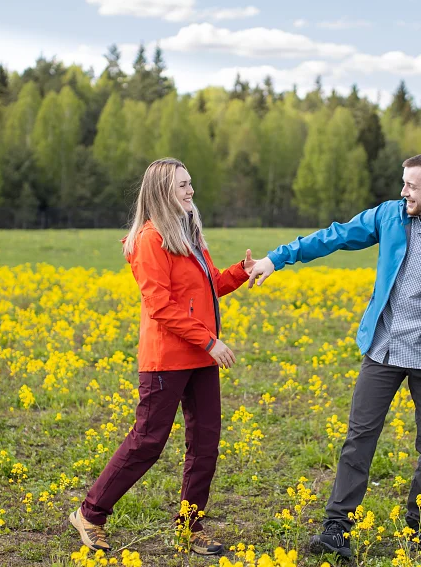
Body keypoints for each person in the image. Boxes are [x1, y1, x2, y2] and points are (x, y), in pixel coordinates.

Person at [247, 152, 421, 558]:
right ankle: (336, 528)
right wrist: (278, 258)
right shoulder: (390, 216)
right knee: (358, 439)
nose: (403, 192)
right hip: (383, 349)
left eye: (411, 186)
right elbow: (335, 236)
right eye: (403, 183)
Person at [70, 158, 255, 556]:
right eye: (181, 186)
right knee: (147, 442)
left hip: (200, 360)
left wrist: (241, 271)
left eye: (190, 184)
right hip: (166, 359)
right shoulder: (151, 239)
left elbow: (206, 290)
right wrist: (209, 342)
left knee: (205, 444)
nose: (190, 191)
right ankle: (90, 513)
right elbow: (161, 306)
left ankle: (190, 527)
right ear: (160, 192)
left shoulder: (188, 235)